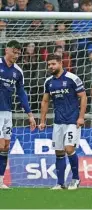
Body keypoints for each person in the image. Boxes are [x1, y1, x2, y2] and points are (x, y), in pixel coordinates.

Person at [39, 54, 87, 190]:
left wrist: (81, 117)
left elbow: (83, 97)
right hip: (58, 122)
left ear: (60, 63)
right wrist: (42, 121)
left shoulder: (73, 78)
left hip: (72, 120)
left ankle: (76, 179)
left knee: (69, 148)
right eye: (49, 64)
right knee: (59, 152)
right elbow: (45, 101)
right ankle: (60, 183)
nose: (50, 67)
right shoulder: (48, 82)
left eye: (53, 64)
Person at [0, 40, 36, 189]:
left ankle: (1, 180)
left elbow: (21, 93)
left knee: (6, 146)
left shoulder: (18, 71)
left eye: (19, 53)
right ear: (6, 50)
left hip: (7, 112)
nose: (16, 55)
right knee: (0, 143)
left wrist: (30, 114)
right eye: (14, 51)